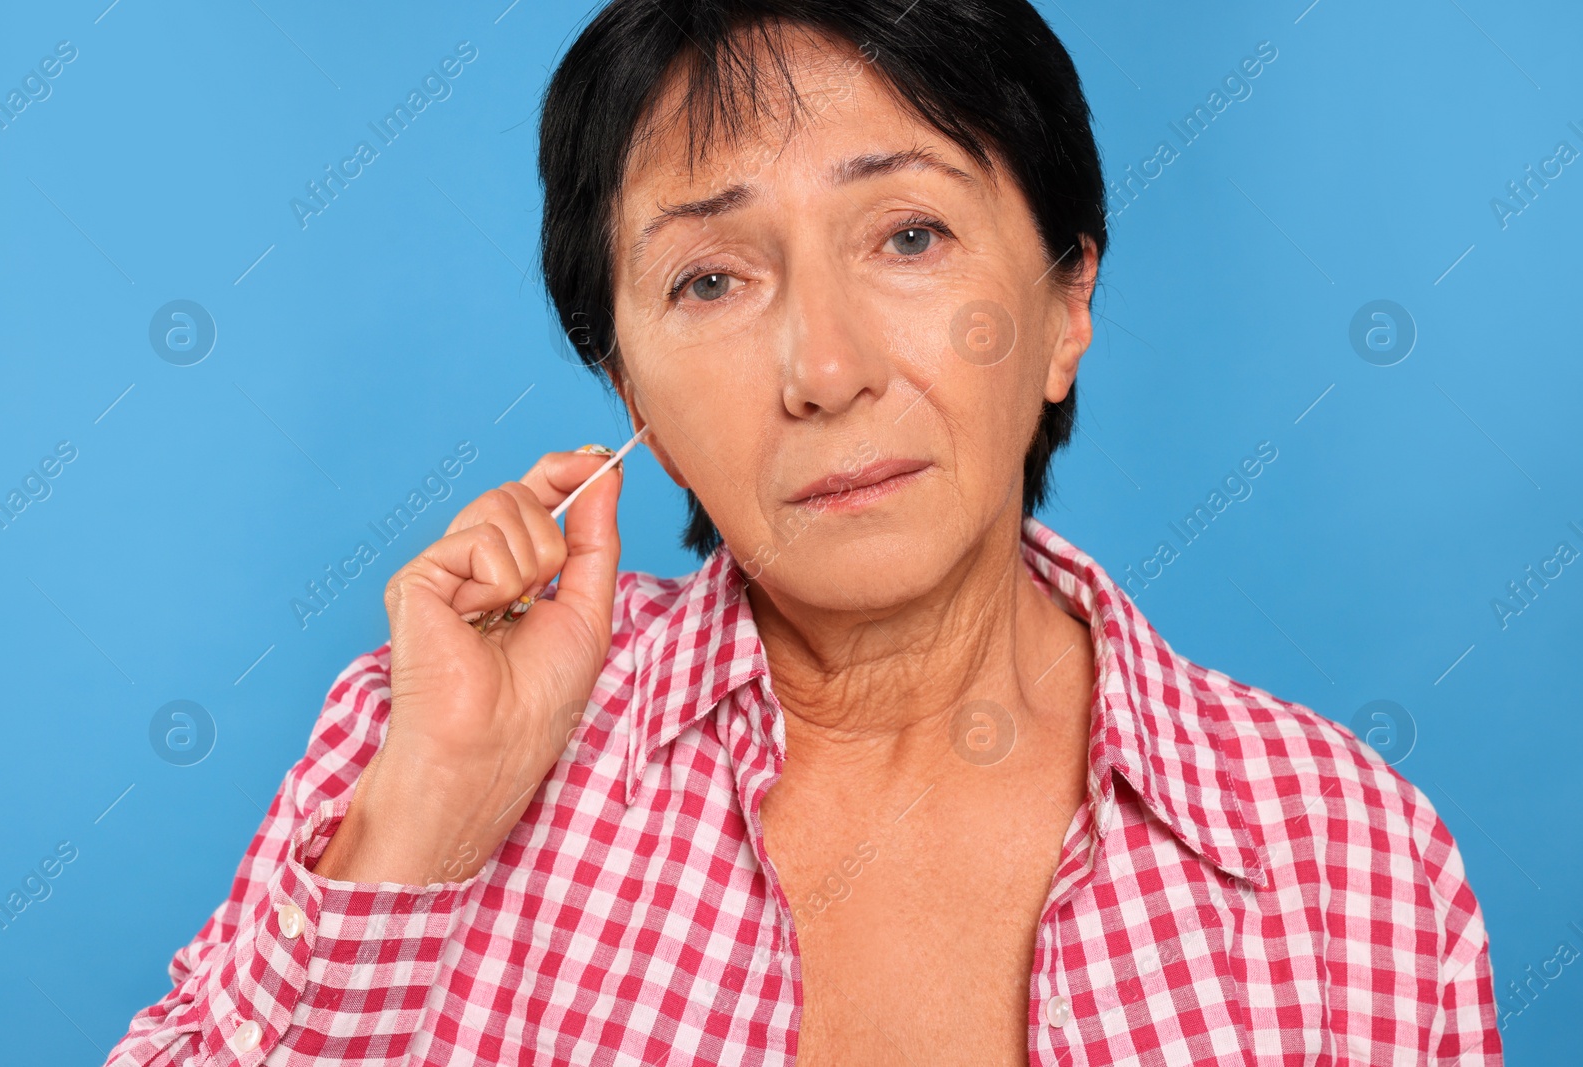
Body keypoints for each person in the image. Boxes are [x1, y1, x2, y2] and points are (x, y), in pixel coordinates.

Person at [104, 1, 1501, 1063]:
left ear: (1067, 301)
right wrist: (432, 815)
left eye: (908, 237)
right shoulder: (418, 745)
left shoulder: (1345, 856)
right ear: (625, 383)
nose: (823, 369)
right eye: (711, 278)